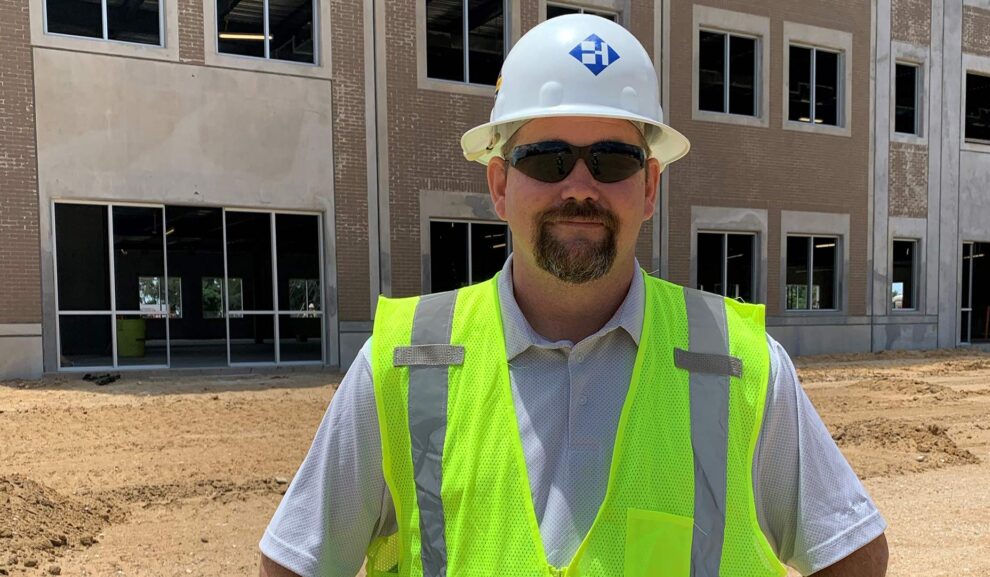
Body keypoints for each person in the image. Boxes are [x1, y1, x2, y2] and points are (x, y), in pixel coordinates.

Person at [259, 14, 888, 577]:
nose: (580, 186)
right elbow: (297, 563)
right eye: (548, 158)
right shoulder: (403, 363)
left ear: (649, 187)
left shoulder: (737, 365)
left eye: (613, 159)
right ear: (501, 184)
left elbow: (852, 552)